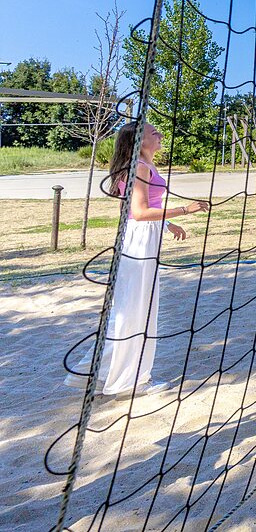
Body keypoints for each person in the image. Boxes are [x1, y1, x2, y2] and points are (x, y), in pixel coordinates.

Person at [66, 121, 209, 396]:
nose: (160, 135)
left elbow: (146, 208)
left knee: (136, 309)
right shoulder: (139, 167)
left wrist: (168, 224)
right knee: (134, 310)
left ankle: (104, 376)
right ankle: (130, 380)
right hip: (139, 240)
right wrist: (184, 210)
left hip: (146, 236)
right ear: (138, 141)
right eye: (154, 133)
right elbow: (140, 212)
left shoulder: (144, 165)